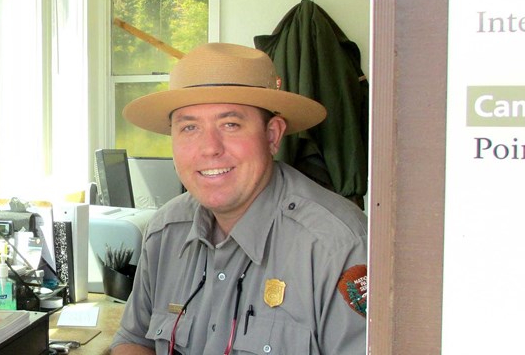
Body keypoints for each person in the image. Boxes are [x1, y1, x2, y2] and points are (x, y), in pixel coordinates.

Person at [110, 42, 367, 355]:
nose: (209, 148)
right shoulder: (165, 230)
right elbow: (134, 340)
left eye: (230, 125)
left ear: (272, 136)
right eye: (189, 127)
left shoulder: (337, 246)